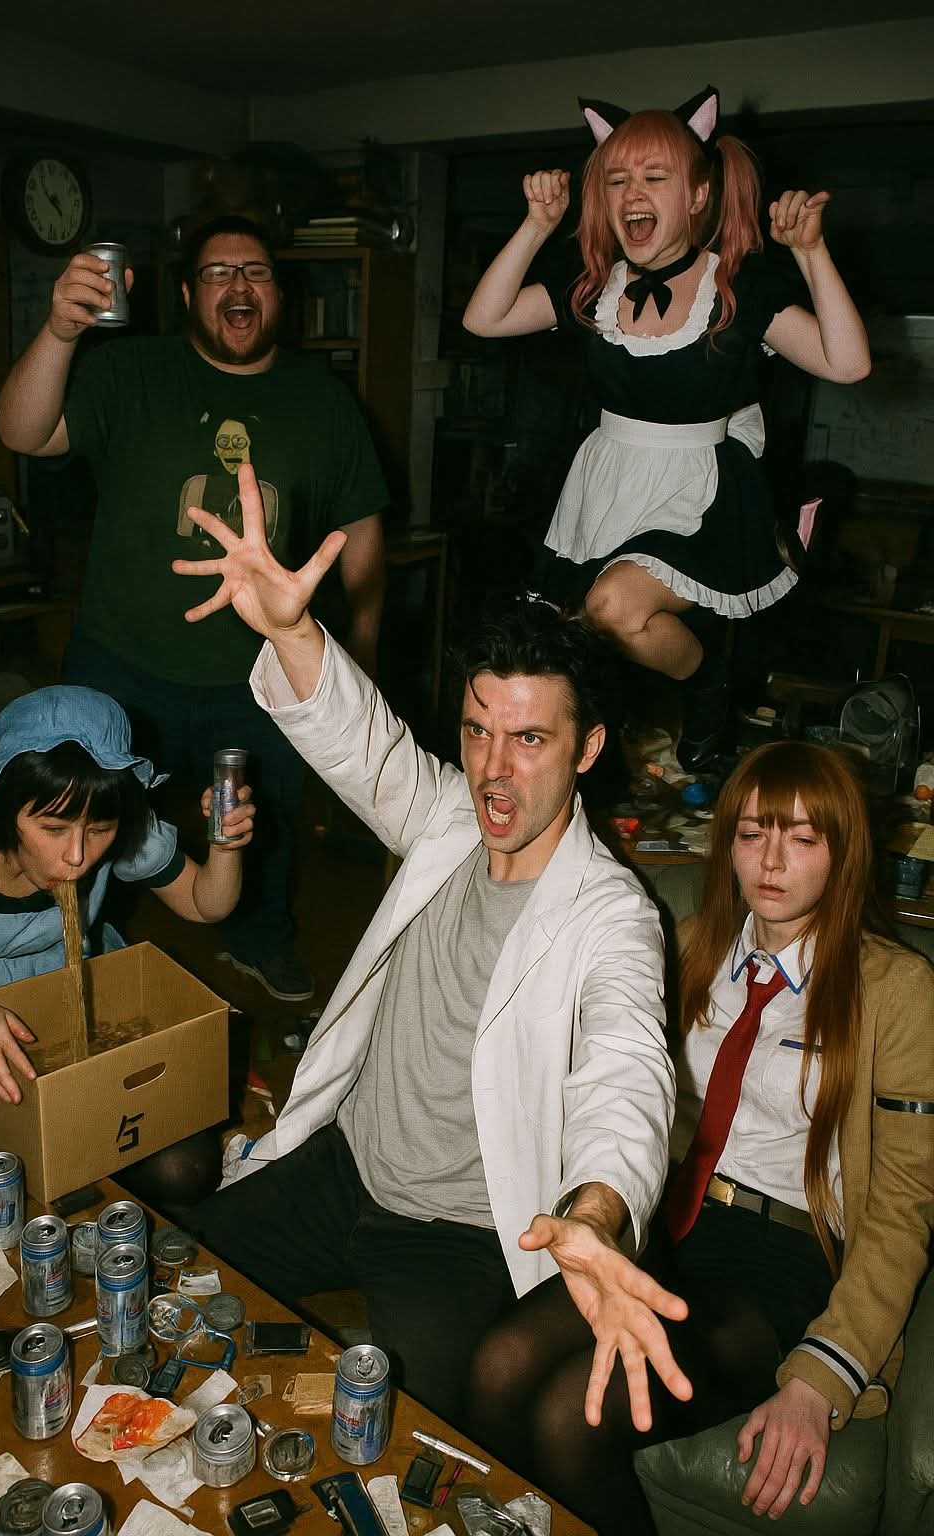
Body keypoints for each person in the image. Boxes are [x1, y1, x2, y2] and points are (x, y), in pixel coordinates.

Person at [178, 458, 688, 1430]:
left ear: (587, 748)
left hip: (456, 1231)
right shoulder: (449, 815)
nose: (495, 771)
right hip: (344, 1168)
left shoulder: (612, 915)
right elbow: (360, 740)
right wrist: (290, 629)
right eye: (478, 731)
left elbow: (628, 1077)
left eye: (530, 740)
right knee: (174, 1284)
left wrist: (595, 1213)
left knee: (424, 1443)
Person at [467, 740, 934, 1533]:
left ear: (845, 852)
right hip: (665, 1231)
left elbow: (903, 1209)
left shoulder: (897, 990)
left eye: (803, 838)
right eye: (752, 834)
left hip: (780, 1263)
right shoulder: (687, 947)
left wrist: (820, 1378)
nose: (771, 862)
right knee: (496, 1365)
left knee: (570, 1416)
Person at [0, 215, 389, 1002]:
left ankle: (259, 940)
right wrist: (62, 330)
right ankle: (80, 949)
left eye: (256, 272)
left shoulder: (323, 399)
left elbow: (361, 531)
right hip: (120, 662)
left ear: (280, 294)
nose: (238, 286)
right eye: (217, 273)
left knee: (264, 822)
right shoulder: (130, 369)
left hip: (260, 674)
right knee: (89, 818)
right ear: (185, 294)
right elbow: (23, 431)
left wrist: (361, 654)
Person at [462, 86, 870, 766]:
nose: (632, 193)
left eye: (655, 177)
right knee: (578, 634)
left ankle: (709, 683)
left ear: (699, 195)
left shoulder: (737, 288)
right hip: (609, 478)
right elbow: (484, 319)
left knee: (613, 609)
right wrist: (535, 225)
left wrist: (810, 253)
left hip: (697, 489)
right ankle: (635, 733)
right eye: (617, 179)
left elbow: (848, 364)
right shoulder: (596, 286)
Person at [0, 684, 254, 1195]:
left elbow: (205, 904)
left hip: (73, 992)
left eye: (99, 830)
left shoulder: (107, 819)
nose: (77, 855)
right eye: (52, 828)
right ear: (3, 805)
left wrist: (226, 846)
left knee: (183, 1170)